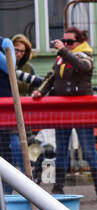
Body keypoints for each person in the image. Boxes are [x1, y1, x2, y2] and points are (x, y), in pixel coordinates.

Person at [31, 26, 97, 200]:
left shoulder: (86, 55)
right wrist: (40, 92)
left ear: (80, 42)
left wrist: (63, 51)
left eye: (70, 42)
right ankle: (58, 187)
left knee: (88, 150)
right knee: (62, 149)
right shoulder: (61, 58)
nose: (65, 44)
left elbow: (83, 68)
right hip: (62, 110)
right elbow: (51, 77)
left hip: (82, 111)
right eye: (64, 41)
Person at [1, 35, 42, 171]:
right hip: (9, 112)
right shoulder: (6, 67)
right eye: (16, 50)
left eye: (21, 51)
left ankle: (30, 178)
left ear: (26, 53)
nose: (18, 53)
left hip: (25, 113)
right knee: (14, 148)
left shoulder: (28, 68)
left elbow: (36, 87)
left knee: (29, 150)